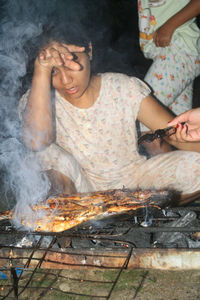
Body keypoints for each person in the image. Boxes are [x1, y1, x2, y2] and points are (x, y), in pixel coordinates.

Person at [18, 21, 200, 206]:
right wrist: (42, 69)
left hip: (133, 185)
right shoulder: (39, 99)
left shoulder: (122, 88)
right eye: (54, 71)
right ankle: (74, 219)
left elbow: (175, 135)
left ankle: (130, 211)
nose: (66, 80)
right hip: (79, 194)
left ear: (89, 50)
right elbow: (36, 142)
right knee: (46, 154)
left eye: (73, 61)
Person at [138, 0, 200, 154]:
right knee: (181, 132)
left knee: (144, 116)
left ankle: (168, 177)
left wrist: (170, 25)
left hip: (179, 48)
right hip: (171, 54)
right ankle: (188, 175)